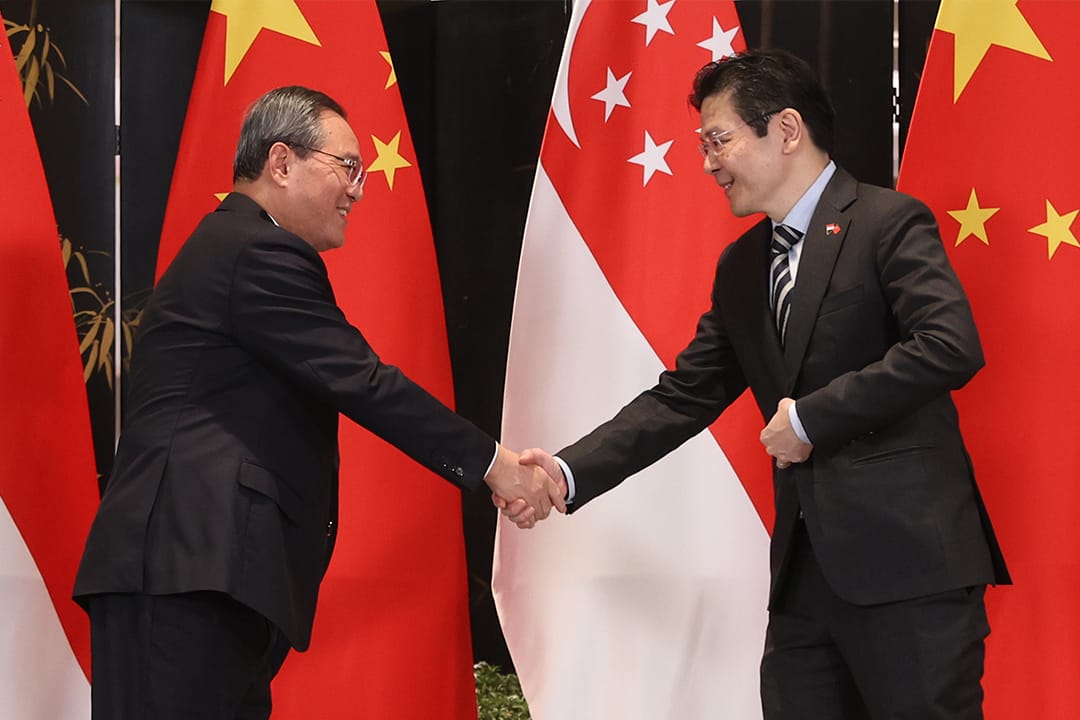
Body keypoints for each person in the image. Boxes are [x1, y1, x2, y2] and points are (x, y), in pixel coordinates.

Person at [507, 50, 1009, 719]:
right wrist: (566, 473)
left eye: (718, 139)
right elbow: (683, 396)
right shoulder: (744, 266)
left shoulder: (887, 222)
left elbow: (949, 346)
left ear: (788, 130)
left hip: (909, 569)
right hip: (805, 585)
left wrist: (811, 420)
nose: (707, 162)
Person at [73, 85, 563, 720]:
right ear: (282, 163)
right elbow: (363, 381)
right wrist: (494, 464)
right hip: (183, 575)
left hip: (198, 578)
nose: (359, 189)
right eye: (347, 167)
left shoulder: (232, 248)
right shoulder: (257, 251)